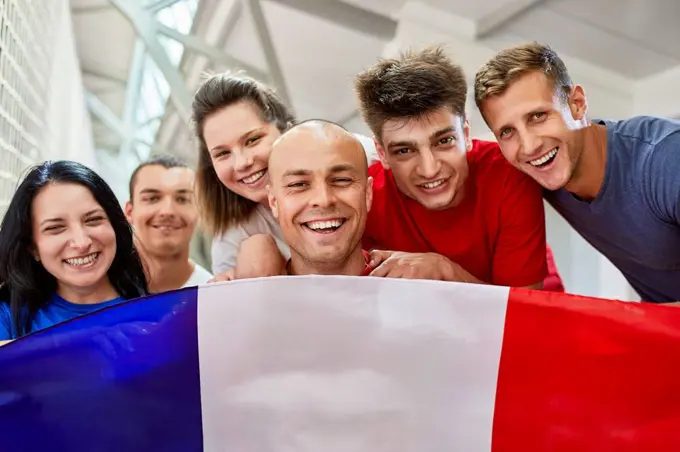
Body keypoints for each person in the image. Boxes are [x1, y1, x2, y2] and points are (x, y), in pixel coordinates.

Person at [474, 42, 680, 302]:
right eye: (507, 132)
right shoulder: (532, 171)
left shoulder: (666, 158)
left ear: (577, 104)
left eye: (538, 116)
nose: (529, 146)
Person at [352, 46, 561, 289]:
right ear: (382, 154)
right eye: (404, 151)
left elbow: (520, 312)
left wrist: (444, 271)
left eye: (443, 141)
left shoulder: (508, 173)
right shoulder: (364, 197)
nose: (429, 170)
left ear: (466, 134)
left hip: (534, 309)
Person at [0, 160, 149, 342]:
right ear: (32, 248)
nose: (82, 243)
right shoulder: (9, 319)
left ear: (115, 227)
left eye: (93, 220)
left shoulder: (159, 317)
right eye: (55, 228)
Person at [267, 120, 374, 276]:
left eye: (341, 180)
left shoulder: (415, 289)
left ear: (368, 194)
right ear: (273, 202)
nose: (324, 200)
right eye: (298, 184)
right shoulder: (243, 296)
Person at [125, 155, 212, 292]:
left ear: (200, 212)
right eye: (152, 198)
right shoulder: (100, 289)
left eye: (182, 199)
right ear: (129, 212)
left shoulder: (213, 294)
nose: (167, 211)